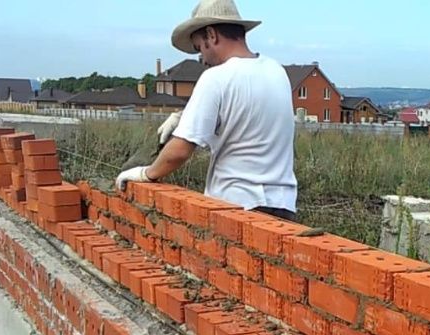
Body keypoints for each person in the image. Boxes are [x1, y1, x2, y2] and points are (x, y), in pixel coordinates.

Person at [116, 0, 298, 221]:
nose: (201, 58)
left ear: (211, 35)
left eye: (199, 48)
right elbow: (247, 112)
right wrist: (186, 117)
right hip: (283, 207)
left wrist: (146, 173)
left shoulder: (216, 77)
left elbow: (181, 151)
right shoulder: (276, 71)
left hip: (236, 208)